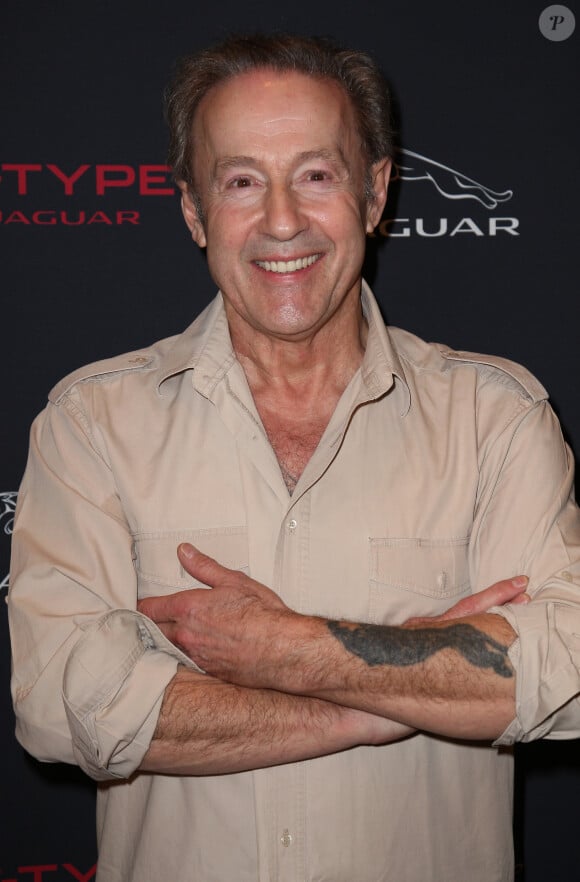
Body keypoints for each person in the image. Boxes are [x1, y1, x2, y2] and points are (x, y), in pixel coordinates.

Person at [9, 32, 580, 882]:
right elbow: (65, 707)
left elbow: (562, 667)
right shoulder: (92, 423)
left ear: (376, 191)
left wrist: (290, 649)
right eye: (241, 181)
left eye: (315, 175)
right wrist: (384, 700)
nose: (282, 220)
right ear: (195, 211)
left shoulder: (493, 415)